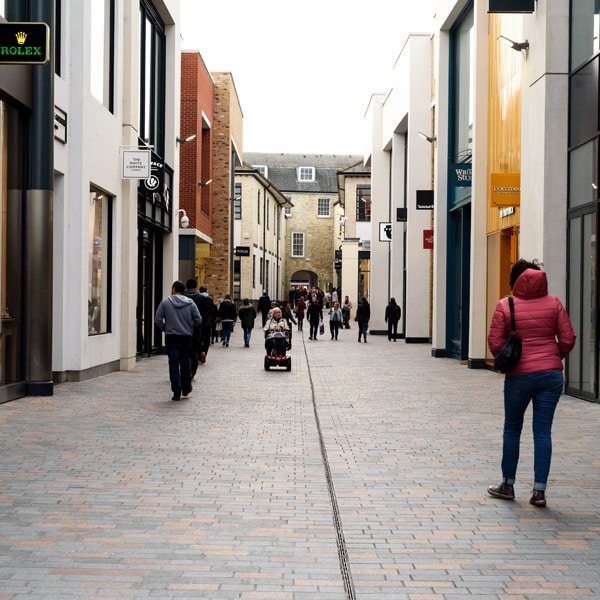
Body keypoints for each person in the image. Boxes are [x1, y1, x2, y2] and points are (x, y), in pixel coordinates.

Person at [487, 259, 576, 507]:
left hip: (519, 376)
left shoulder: (507, 304)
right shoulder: (554, 303)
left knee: (512, 429)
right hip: (551, 376)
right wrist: (552, 355)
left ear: (517, 281)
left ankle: (507, 484)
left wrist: (510, 360)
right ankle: (539, 492)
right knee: (543, 431)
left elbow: (495, 342)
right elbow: (568, 338)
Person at [155, 280, 201, 401]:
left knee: (173, 363)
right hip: (186, 337)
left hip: (171, 337)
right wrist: (190, 328)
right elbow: (198, 319)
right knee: (185, 362)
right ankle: (186, 387)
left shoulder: (165, 302)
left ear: (174, 289)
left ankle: (176, 391)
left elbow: (158, 320)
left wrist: (166, 329)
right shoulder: (190, 303)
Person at [183, 279, 204, 377]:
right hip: (196, 328)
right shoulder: (200, 297)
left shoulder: (182, 297)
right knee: (194, 350)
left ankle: (185, 369)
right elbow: (202, 314)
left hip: (183, 326)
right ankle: (193, 371)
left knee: (184, 350)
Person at [198, 286, 216, 362]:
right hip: (208, 323)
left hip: (199, 322)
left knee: (198, 339)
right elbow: (213, 311)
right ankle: (204, 352)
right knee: (206, 340)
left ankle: (200, 353)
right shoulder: (210, 299)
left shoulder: (197, 299)